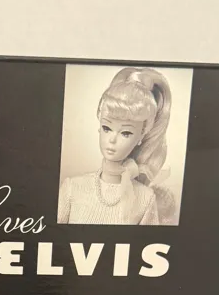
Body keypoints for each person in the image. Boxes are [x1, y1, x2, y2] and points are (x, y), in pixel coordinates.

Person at [58, 66, 174, 225]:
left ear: (141, 136)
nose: (112, 139)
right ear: (99, 127)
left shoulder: (146, 199)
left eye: (125, 133)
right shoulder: (72, 187)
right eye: (107, 128)